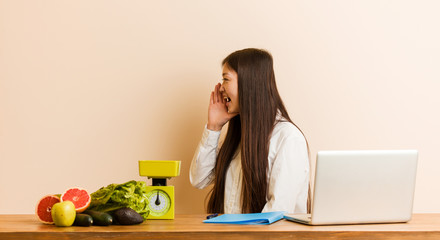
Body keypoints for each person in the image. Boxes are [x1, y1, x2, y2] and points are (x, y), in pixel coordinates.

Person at [190, 48, 310, 214]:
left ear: (249, 83)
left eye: (226, 79)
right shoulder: (240, 137)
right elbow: (199, 180)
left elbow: (277, 213)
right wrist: (214, 127)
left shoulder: (288, 138)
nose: (221, 88)